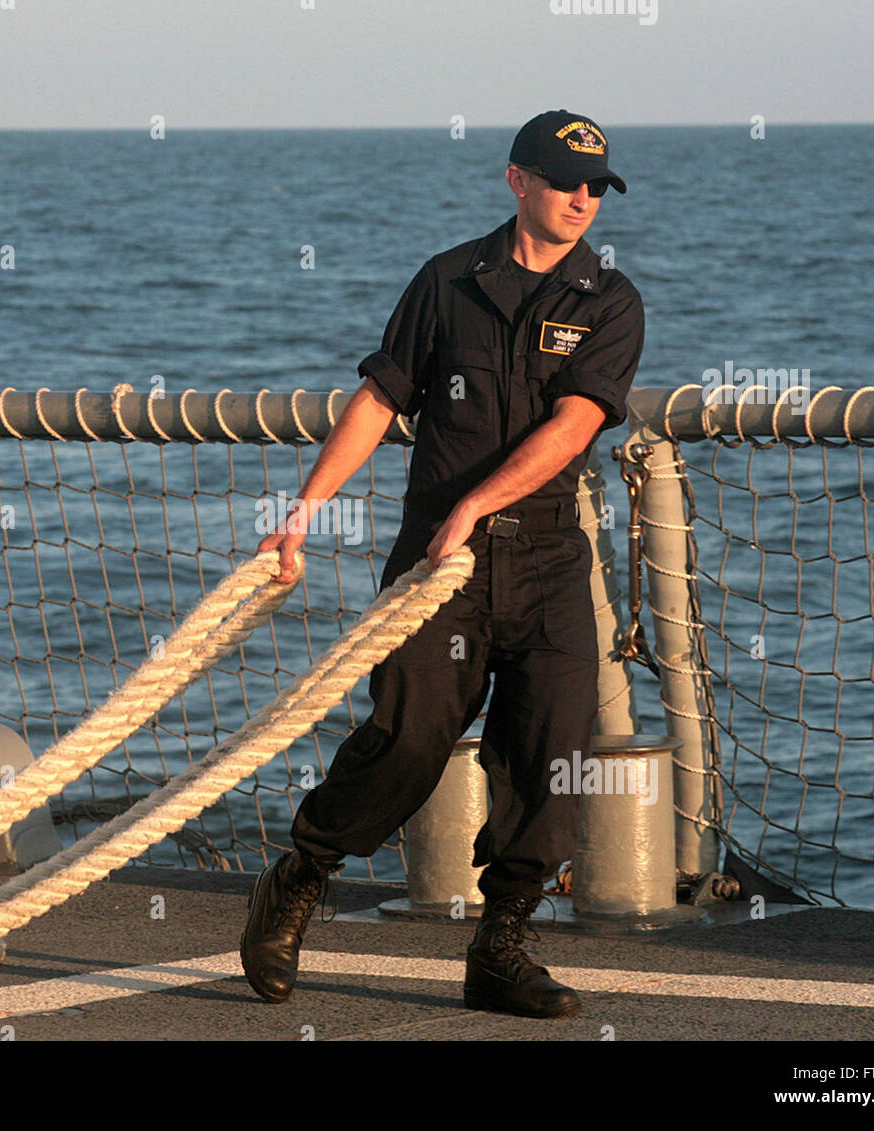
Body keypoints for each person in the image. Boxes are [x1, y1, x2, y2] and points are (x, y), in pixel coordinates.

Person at [241, 110, 644, 1018]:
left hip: (544, 561)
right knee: (406, 743)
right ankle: (300, 876)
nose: (582, 200)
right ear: (517, 181)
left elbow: (575, 426)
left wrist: (477, 501)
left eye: (596, 188)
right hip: (437, 566)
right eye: (565, 181)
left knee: (550, 751)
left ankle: (500, 945)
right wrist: (299, 515)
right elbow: (379, 402)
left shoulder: (609, 301)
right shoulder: (445, 282)